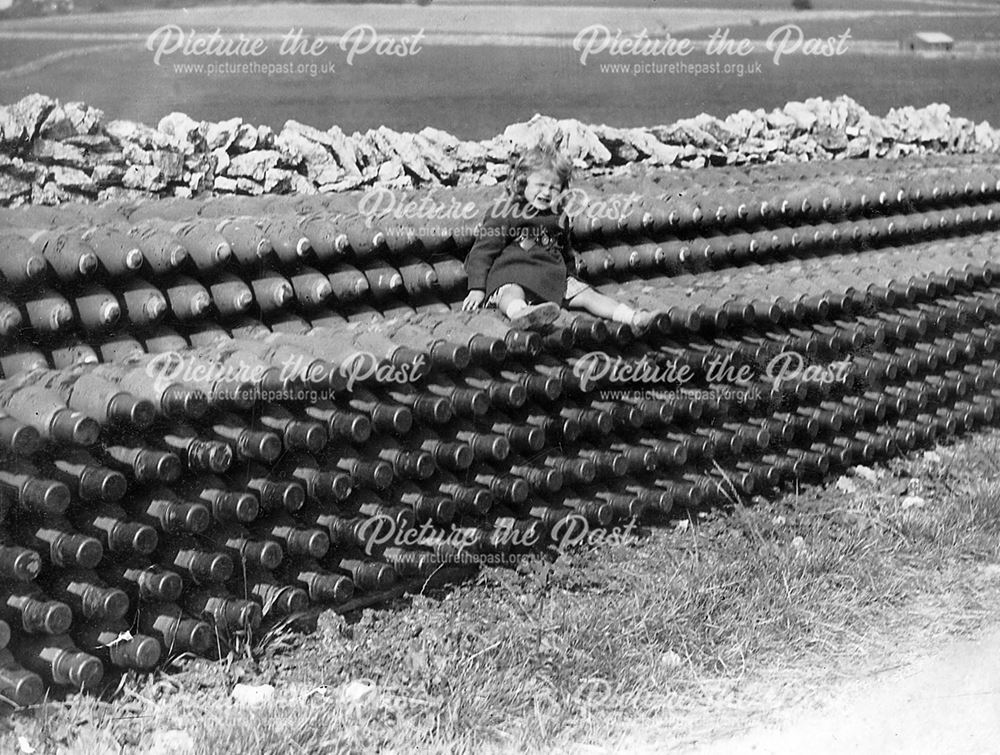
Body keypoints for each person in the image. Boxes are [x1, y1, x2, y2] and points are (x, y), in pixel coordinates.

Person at [462, 143, 659, 331]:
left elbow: (565, 252)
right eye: (540, 184)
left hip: (551, 278)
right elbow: (483, 251)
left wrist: (572, 279)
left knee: (588, 295)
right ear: (522, 182)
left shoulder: (559, 216)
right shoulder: (504, 212)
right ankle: (521, 313)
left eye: (553, 188)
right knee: (512, 291)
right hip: (513, 273)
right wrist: (477, 288)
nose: (546, 192)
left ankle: (632, 317)